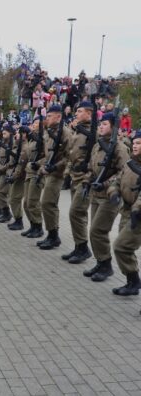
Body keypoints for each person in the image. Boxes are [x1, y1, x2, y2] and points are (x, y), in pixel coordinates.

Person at [82, 112, 129, 281]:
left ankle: (106, 265)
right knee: (94, 231)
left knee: (97, 230)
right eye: (100, 124)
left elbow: (124, 172)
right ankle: (101, 262)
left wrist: (105, 183)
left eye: (104, 124)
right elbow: (91, 167)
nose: (101, 126)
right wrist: (87, 181)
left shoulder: (120, 148)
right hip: (96, 193)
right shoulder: (98, 145)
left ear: (113, 127)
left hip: (110, 197)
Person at [109, 131, 141, 296]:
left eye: (139, 143)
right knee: (124, 247)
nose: (135, 146)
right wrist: (114, 192)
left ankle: (134, 281)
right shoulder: (130, 163)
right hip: (126, 210)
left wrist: (137, 209)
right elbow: (117, 180)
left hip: (138, 215)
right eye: (134, 143)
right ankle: (132, 282)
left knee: (121, 246)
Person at [61, 101, 94, 264]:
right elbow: (71, 155)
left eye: (80, 111)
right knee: (77, 214)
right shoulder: (77, 132)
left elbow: (97, 158)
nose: (76, 113)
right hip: (74, 177)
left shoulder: (93, 133)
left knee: (76, 212)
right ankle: (79, 246)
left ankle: (83, 248)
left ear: (89, 113)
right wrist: (67, 173)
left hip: (85, 179)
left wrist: (88, 171)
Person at [36, 105, 71, 250]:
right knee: (48, 204)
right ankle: (52, 234)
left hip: (58, 174)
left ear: (58, 117)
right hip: (49, 172)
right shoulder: (49, 132)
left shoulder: (65, 132)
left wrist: (56, 166)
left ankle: (53, 235)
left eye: (49, 116)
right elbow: (48, 154)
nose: (47, 118)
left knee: (47, 203)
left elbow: (69, 156)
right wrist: (42, 167)